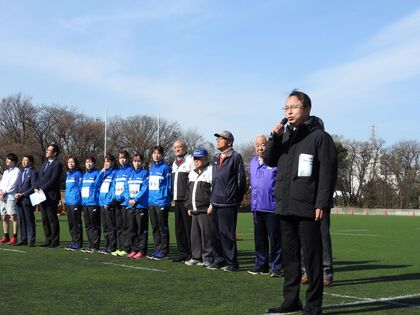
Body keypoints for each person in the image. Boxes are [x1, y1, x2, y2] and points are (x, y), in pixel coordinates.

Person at [264, 90, 337, 315]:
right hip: (285, 206)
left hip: (308, 207)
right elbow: (268, 160)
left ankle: (314, 304)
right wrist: (273, 137)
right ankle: (291, 300)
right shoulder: (284, 137)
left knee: (312, 258)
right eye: (286, 108)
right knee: (290, 257)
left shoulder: (319, 137)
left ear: (306, 109)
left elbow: (328, 172)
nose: (289, 111)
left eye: (293, 107)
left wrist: (321, 203)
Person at [207, 131, 247, 272]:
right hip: (216, 201)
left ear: (229, 142)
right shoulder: (216, 157)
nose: (218, 140)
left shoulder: (236, 157)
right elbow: (214, 181)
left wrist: (237, 198)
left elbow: (241, 180)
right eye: (217, 138)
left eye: (221, 138)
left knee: (227, 235)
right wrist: (212, 201)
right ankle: (218, 260)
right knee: (215, 234)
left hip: (228, 202)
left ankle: (232, 263)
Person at [248, 135, 282, 277]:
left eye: (262, 144)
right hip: (257, 208)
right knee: (259, 239)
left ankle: (276, 267)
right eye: (257, 145)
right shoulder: (252, 162)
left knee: (275, 239)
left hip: (272, 207)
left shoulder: (275, 161)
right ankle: (261, 265)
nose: (259, 148)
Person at [184, 148, 214, 267]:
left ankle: (208, 258)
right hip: (194, 210)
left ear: (205, 159)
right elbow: (188, 191)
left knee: (206, 235)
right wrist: (189, 206)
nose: (196, 161)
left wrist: (211, 205)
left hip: (205, 209)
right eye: (195, 159)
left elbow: (214, 190)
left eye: (199, 158)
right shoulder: (192, 173)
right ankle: (196, 257)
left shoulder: (210, 171)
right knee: (195, 236)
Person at [147, 145, 172, 260]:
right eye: (154, 153)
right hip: (152, 202)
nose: (156, 155)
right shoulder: (151, 169)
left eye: (158, 153)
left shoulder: (166, 168)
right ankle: (157, 249)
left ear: (162, 155)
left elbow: (169, 185)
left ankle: (164, 251)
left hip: (162, 202)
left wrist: (167, 198)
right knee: (155, 227)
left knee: (163, 227)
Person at [35, 144, 63, 248]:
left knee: (52, 219)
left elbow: (54, 179)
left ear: (54, 153)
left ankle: (55, 241)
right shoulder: (45, 163)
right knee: (44, 219)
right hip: (41, 195)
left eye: (49, 150)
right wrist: (36, 187)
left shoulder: (57, 164)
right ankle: (48, 239)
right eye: (47, 150)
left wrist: (42, 188)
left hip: (51, 196)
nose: (46, 151)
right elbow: (39, 177)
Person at [171, 140, 194, 263]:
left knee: (188, 228)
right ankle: (182, 253)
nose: (177, 149)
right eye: (175, 148)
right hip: (177, 200)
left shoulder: (190, 160)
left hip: (186, 200)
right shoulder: (174, 163)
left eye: (179, 147)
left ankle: (192, 253)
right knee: (179, 229)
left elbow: (192, 181)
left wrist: (189, 200)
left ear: (185, 147)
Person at [123, 153, 149, 259]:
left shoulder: (145, 173)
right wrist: (129, 199)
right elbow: (125, 189)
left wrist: (135, 199)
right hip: (130, 206)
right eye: (134, 161)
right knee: (132, 229)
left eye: (138, 161)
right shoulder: (129, 174)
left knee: (141, 230)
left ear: (142, 162)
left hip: (140, 206)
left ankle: (142, 251)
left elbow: (144, 188)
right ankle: (134, 249)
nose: (136, 163)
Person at [301, 213, 334, 286]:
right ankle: (307, 271)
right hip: (303, 205)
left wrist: (321, 205)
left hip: (321, 206)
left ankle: (326, 272)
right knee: (305, 238)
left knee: (323, 238)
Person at [112, 150, 133, 257]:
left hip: (125, 203)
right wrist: (113, 198)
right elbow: (113, 186)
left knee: (126, 227)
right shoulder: (117, 172)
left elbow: (127, 188)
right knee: (118, 226)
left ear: (128, 159)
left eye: (124, 158)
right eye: (120, 158)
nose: (122, 160)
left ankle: (126, 247)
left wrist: (119, 198)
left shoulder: (130, 171)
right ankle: (119, 247)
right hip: (117, 203)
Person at [14, 155, 38, 246]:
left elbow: (33, 186)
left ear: (31, 162)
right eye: (23, 160)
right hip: (19, 200)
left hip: (27, 199)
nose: (24, 162)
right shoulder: (21, 172)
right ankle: (23, 239)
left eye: (26, 160)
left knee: (29, 220)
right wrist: (16, 193)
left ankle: (31, 239)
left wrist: (23, 194)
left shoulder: (33, 172)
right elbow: (17, 184)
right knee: (22, 220)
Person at [97, 154, 117, 255]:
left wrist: (108, 202)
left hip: (108, 204)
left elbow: (113, 189)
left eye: (108, 161)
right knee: (105, 226)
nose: (106, 163)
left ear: (112, 162)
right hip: (101, 203)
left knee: (110, 226)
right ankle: (106, 245)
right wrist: (101, 172)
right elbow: (96, 184)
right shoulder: (103, 173)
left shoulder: (115, 173)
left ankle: (112, 246)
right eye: (105, 161)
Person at [80, 156, 101, 253]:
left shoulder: (97, 173)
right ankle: (90, 244)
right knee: (88, 225)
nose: (89, 164)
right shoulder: (84, 175)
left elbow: (98, 186)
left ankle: (95, 245)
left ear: (94, 163)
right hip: (85, 203)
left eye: (90, 162)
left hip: (93, 203)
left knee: (94, 225)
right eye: (87, 162)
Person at [0, 153, 20, 245]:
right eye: (6, 159)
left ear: (13, 161)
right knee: (4, 217)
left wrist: (5, 192)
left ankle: (14, 237)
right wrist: (1, 192)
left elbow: (13, 184)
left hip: (10, 197)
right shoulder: (5, 172)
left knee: (13, 216)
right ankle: (6, 236)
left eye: (8, 159)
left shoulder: (17, 171)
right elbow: (2, 183)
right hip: (2, 197)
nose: (6, 161)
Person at [64, 156, 83, 251]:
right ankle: (73, 241)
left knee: (76, 223)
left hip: (75, 202)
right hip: (68, 202)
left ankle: (78, 242)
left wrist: (79, 200)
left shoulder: (78, 174)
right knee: (71, 223)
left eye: (72, 162)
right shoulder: (68, 174)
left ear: (76, 163)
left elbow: (81, 188)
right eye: (69, 162)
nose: (70, 164)